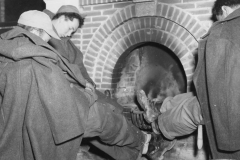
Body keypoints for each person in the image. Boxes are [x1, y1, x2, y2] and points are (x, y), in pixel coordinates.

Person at [0, 10, 157, 160]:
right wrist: (88, 95)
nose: (48, 40)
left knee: (100, 117)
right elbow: (65, 103)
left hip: (19, 122)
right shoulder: (38, 60)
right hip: (46, 118)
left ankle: (133, 146)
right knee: (103, 118)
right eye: (47, 35)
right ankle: (141, 140)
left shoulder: (7, 50)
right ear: (37, 32)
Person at [134, 0, 240, 159]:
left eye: (219, 19)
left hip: (233, 111)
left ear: (225, 10)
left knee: (199, 108)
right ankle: (158, 108)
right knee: (200, 97)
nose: (220, 23)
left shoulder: (227, 29)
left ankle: (158, 125)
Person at [43, 5, 124, 114]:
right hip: (60, 89)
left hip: (77, 85)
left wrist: (89, 83)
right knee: (104, 111)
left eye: (72, 32)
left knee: (114, 106)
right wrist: (85, 84)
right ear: (62, 19)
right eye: (70, 28)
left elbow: (80, 66)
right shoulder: (43, 34)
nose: (69, 34)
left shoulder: (67, 42)